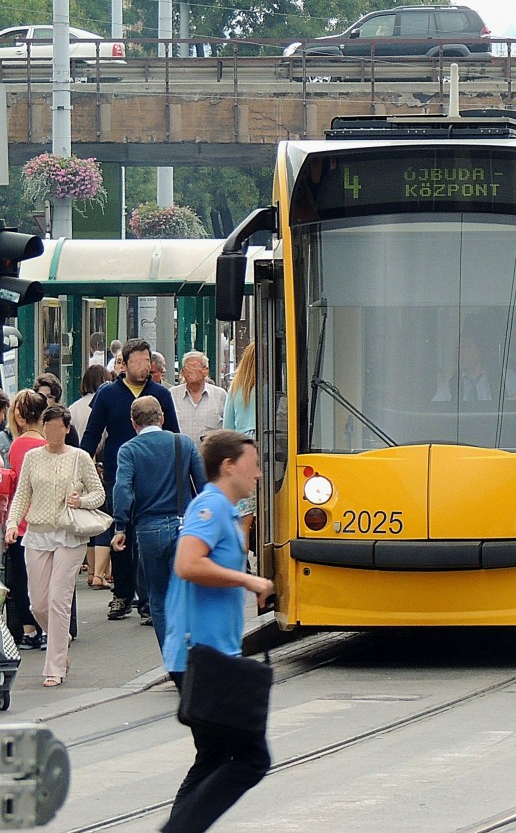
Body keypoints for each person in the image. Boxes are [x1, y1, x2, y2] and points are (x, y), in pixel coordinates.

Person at [161, 430, 274, 833]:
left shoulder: (227, 510)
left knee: (214, 756)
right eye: (254, 463)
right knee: (248, 757)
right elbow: (188, 564)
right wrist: (249, 582)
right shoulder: (208, 506)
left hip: (214, 653)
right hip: (200, 654)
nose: (259, 473)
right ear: (228, 465)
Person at [80, 337, 181, 621]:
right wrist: (80, 461)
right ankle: (122, 595)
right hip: (119, 473)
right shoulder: (107, 394)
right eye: (138, 361)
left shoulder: (161, 394)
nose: (144, 367)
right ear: (123, 364)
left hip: (154, 478)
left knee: (147, 537)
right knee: (120, 534)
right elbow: (92, 432)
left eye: (147, 361)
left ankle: (148, 601)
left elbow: (173, 432)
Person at [4, 404, 105, 687]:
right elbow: (22, 494)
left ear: (66, 429)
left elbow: (99, 494)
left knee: (59, 600)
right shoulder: (33, 458)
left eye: (57, 428)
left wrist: (81, 501)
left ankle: (55, 666)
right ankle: (61, 639)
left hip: (69, 534)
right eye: (47, 427)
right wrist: (12, 525)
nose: (51, 433)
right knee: (38, 603)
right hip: (37, 533)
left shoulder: (80, 457)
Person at [113, 397, 205, 649]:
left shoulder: (129, 450)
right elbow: (203, 484)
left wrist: (120, 525)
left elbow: (122, 489)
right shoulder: (183, 443)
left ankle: (173, 658)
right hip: (184, 525)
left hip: (149, 529)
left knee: (159, 597)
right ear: (162, 417)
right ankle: (194, 645)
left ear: (134, 423)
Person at [4, 390, 48, 650]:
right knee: (43, 579)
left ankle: (29, 630)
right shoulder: (47, 445)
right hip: (44, 522)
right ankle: (45, 629)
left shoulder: (17, 446)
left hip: (20, 523)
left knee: (21, 578)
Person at [69, 364, 115, 589]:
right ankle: (101, 572)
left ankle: (90, 569)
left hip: (80, 464)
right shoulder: (105, 403)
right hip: (99, 466)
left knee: (87, 517)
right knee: (104, 517)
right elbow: (104, 437)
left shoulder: (74, 408)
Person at [432, 336, 516, 402]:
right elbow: (434, 410)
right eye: (458, 349)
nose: (460, 353)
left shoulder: (500, 377)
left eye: (466, 347)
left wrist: (504, 405)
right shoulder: (451, 385)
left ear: (479, 351)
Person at [223, 343, 257, 542]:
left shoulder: (236, 387)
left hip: (243, 450)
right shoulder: (274, 386)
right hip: (272, 452)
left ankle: (240, 562)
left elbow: (228, 427)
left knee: (245, 516)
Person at [171, 351, 228, 447]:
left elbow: (227, 428)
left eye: (194, 366)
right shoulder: (172, 394)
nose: (190, 370)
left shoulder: (220, 395)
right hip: (181, 456)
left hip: (211, 456)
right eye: (186, 367)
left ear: (206, 370)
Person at [34, 373, 80, 447]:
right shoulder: (31, 425)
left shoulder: (66, 428)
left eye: (50, 397)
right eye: (41, 396)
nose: (45, 400)